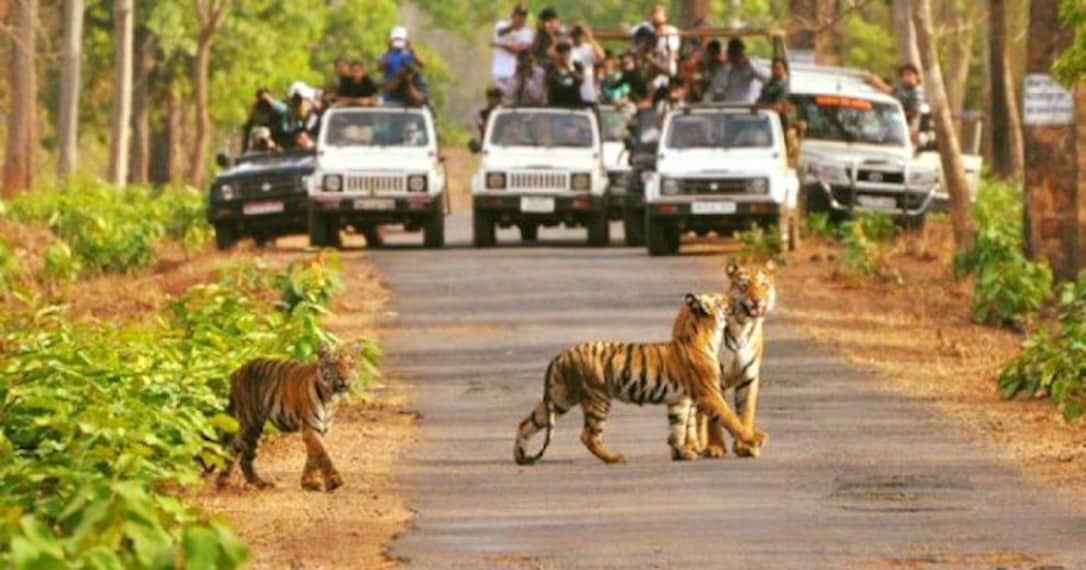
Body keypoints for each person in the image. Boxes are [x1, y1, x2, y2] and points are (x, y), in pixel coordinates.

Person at [702, 38, 769, 103]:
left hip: (748, 109)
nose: (733, 56)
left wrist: (749, 63)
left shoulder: (751, 66)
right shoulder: (727, 69)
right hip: (729, 107)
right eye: (731, 53)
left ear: (742, 53)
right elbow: (718, 88)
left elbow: (767, 77)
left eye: (736, 53)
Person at [631, 5, 680, 77]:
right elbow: (633, 34)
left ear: (665, 17)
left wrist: (652, 58)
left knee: (669, 68)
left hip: (663, 66)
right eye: (654, 14)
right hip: (649, 65)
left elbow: (672, 54)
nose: (656, 16)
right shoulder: (647, 29)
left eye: (659, 14)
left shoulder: (671, 31)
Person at [491, 5, 535, 84]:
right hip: (499, 71)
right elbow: (500, 33)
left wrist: (499, 45)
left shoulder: (528, 33)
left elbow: (516, 50)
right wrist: (512, 27)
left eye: (523, 17)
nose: (521, 19)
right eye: (519, 16)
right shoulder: (501, 25)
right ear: (513, 15)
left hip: (515, 74)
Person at [243, 88, 289, 152]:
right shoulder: (256, 112)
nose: (264, 105)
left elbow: (286, 111)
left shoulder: (278, 110)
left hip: (284, 142)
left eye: (265, 102)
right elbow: (247, 130)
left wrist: (271, 102)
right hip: (264, 148)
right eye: (261, 103)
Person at [569, 25, 604, 105]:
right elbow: (551, 54)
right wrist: (565, 36)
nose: (577, 37)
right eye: (575, 35)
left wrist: (590, 37)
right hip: (572, 90)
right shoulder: (569, 49)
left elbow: (601, 56)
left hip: (587, 91)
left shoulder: (589, 48)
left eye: (580, 35)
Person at [545, 42, 585, 108]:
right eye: (561, 54)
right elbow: (547, 82)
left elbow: (580, 81)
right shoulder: (551, 67)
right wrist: (556, 67)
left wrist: (570, 68)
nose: (563, 57)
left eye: (566, 54)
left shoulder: (577, 65)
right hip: (555, 104)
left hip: (574, 105)